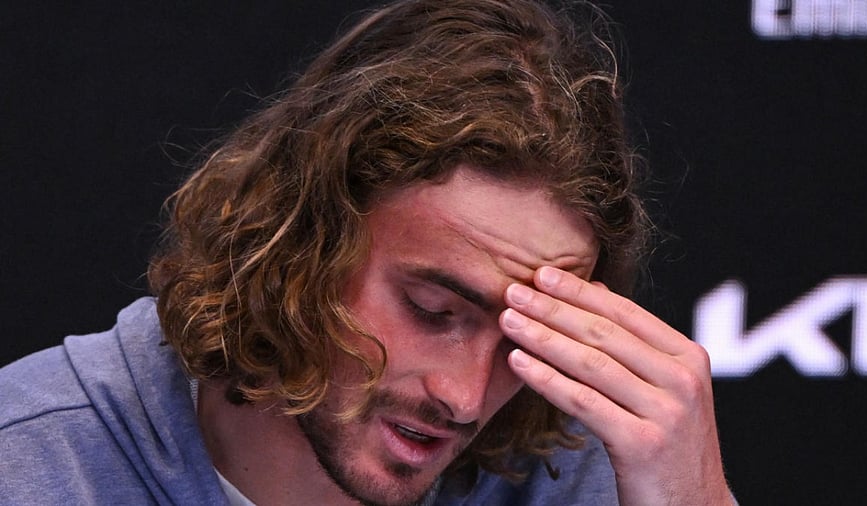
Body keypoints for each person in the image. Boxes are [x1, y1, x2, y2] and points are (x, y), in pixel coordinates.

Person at [0, 0, 735, 504]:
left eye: (521, 339)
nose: (465, 396)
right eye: (433, 309)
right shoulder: (34, 464)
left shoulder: (573, 480)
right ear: (298, 242)